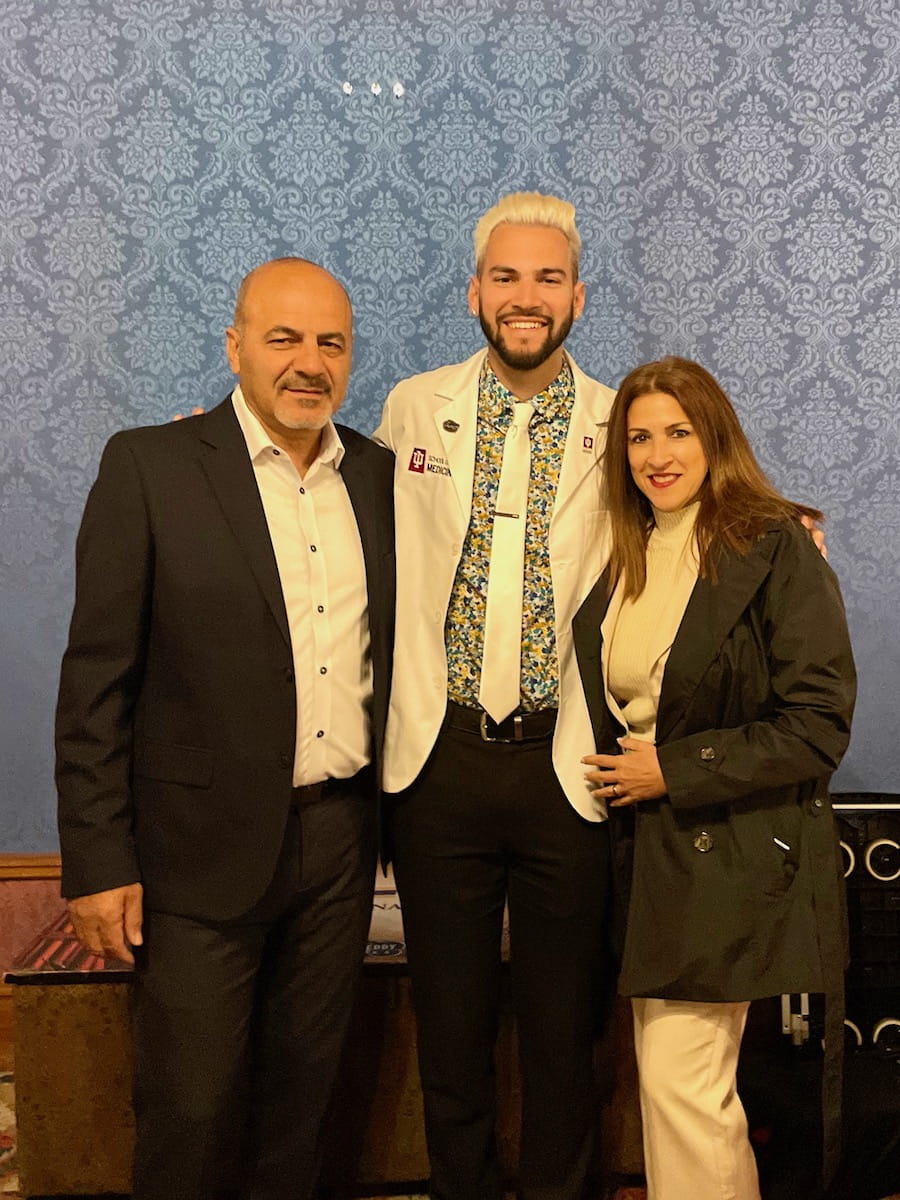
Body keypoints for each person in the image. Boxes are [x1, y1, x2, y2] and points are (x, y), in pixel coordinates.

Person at [55, 258, 395, 1200]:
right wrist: (96, 860)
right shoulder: (150, 466)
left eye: (330, 342)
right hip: (192, 857)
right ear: (234, 345)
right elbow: (95, 684)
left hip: (337, 846)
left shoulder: (375, 476)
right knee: (192, 1110)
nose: (309, 362)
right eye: (283, 337)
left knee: (304, 1108)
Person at [373, 193, 617, 1200]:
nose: (527, 297)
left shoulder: (622, 421)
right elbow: (341, 525)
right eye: (507, 277)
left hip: (570, 763)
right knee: (454, 1025)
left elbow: (700, 514)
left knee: (566, 1033)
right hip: (442, 759)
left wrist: (784, 532)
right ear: (475, 291)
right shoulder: (410, 407)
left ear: (578, 297)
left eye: (547, 278)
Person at [574, 357, 856, 1200]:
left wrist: (675, 769)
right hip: (643, 854)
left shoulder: (771, 543)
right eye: (638, 438)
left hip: (727, 847)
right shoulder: (624, 546)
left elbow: (817, 725)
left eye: (677, 432)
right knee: (679, 1091)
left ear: (714, 435)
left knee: (681, 1084)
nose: (657, 454)